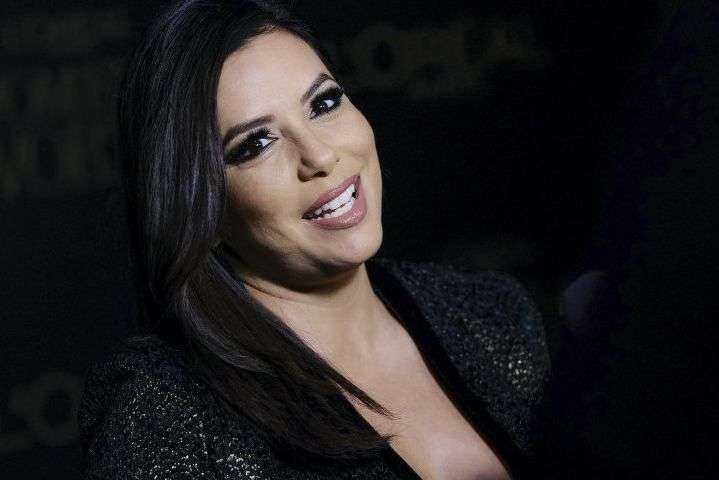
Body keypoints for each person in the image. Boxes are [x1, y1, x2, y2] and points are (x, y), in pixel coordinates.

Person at [77, 1, 551, 478]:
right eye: (256, 144)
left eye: (323, 104)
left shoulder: (491, 314)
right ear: (202, 210)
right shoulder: (165, 411)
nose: (320, 156)